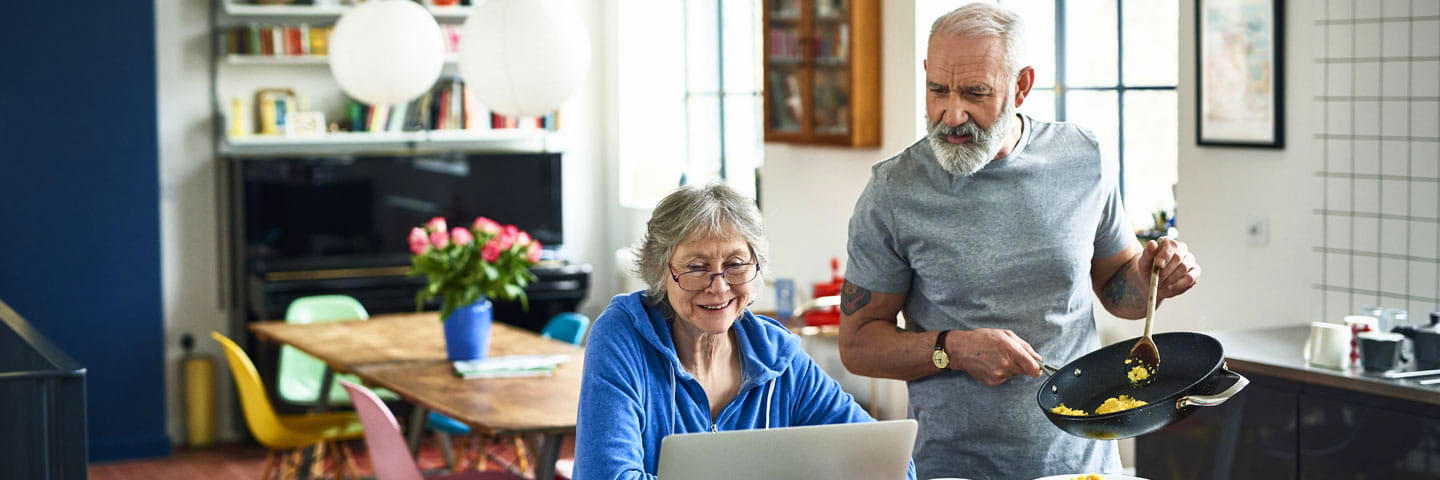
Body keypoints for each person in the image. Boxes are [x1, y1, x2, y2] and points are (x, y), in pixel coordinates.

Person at [838, 4, 1202, 480]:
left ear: (1022, 86)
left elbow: (1119, 291)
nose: (952, 114)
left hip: (1084, 462)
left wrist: (1156, 278)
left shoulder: (1082, 158)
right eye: (936, 90)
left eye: (975, 93)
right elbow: (859, 343)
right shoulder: (893, 191)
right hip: (953, 468)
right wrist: (954, 348)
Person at [574, 182, 916, 480]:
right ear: (660, 271)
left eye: (735, 265)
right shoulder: (623, 336)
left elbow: (892, 464)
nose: (719, 286)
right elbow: (607, 475)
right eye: (696, 267)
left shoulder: (777, 356)